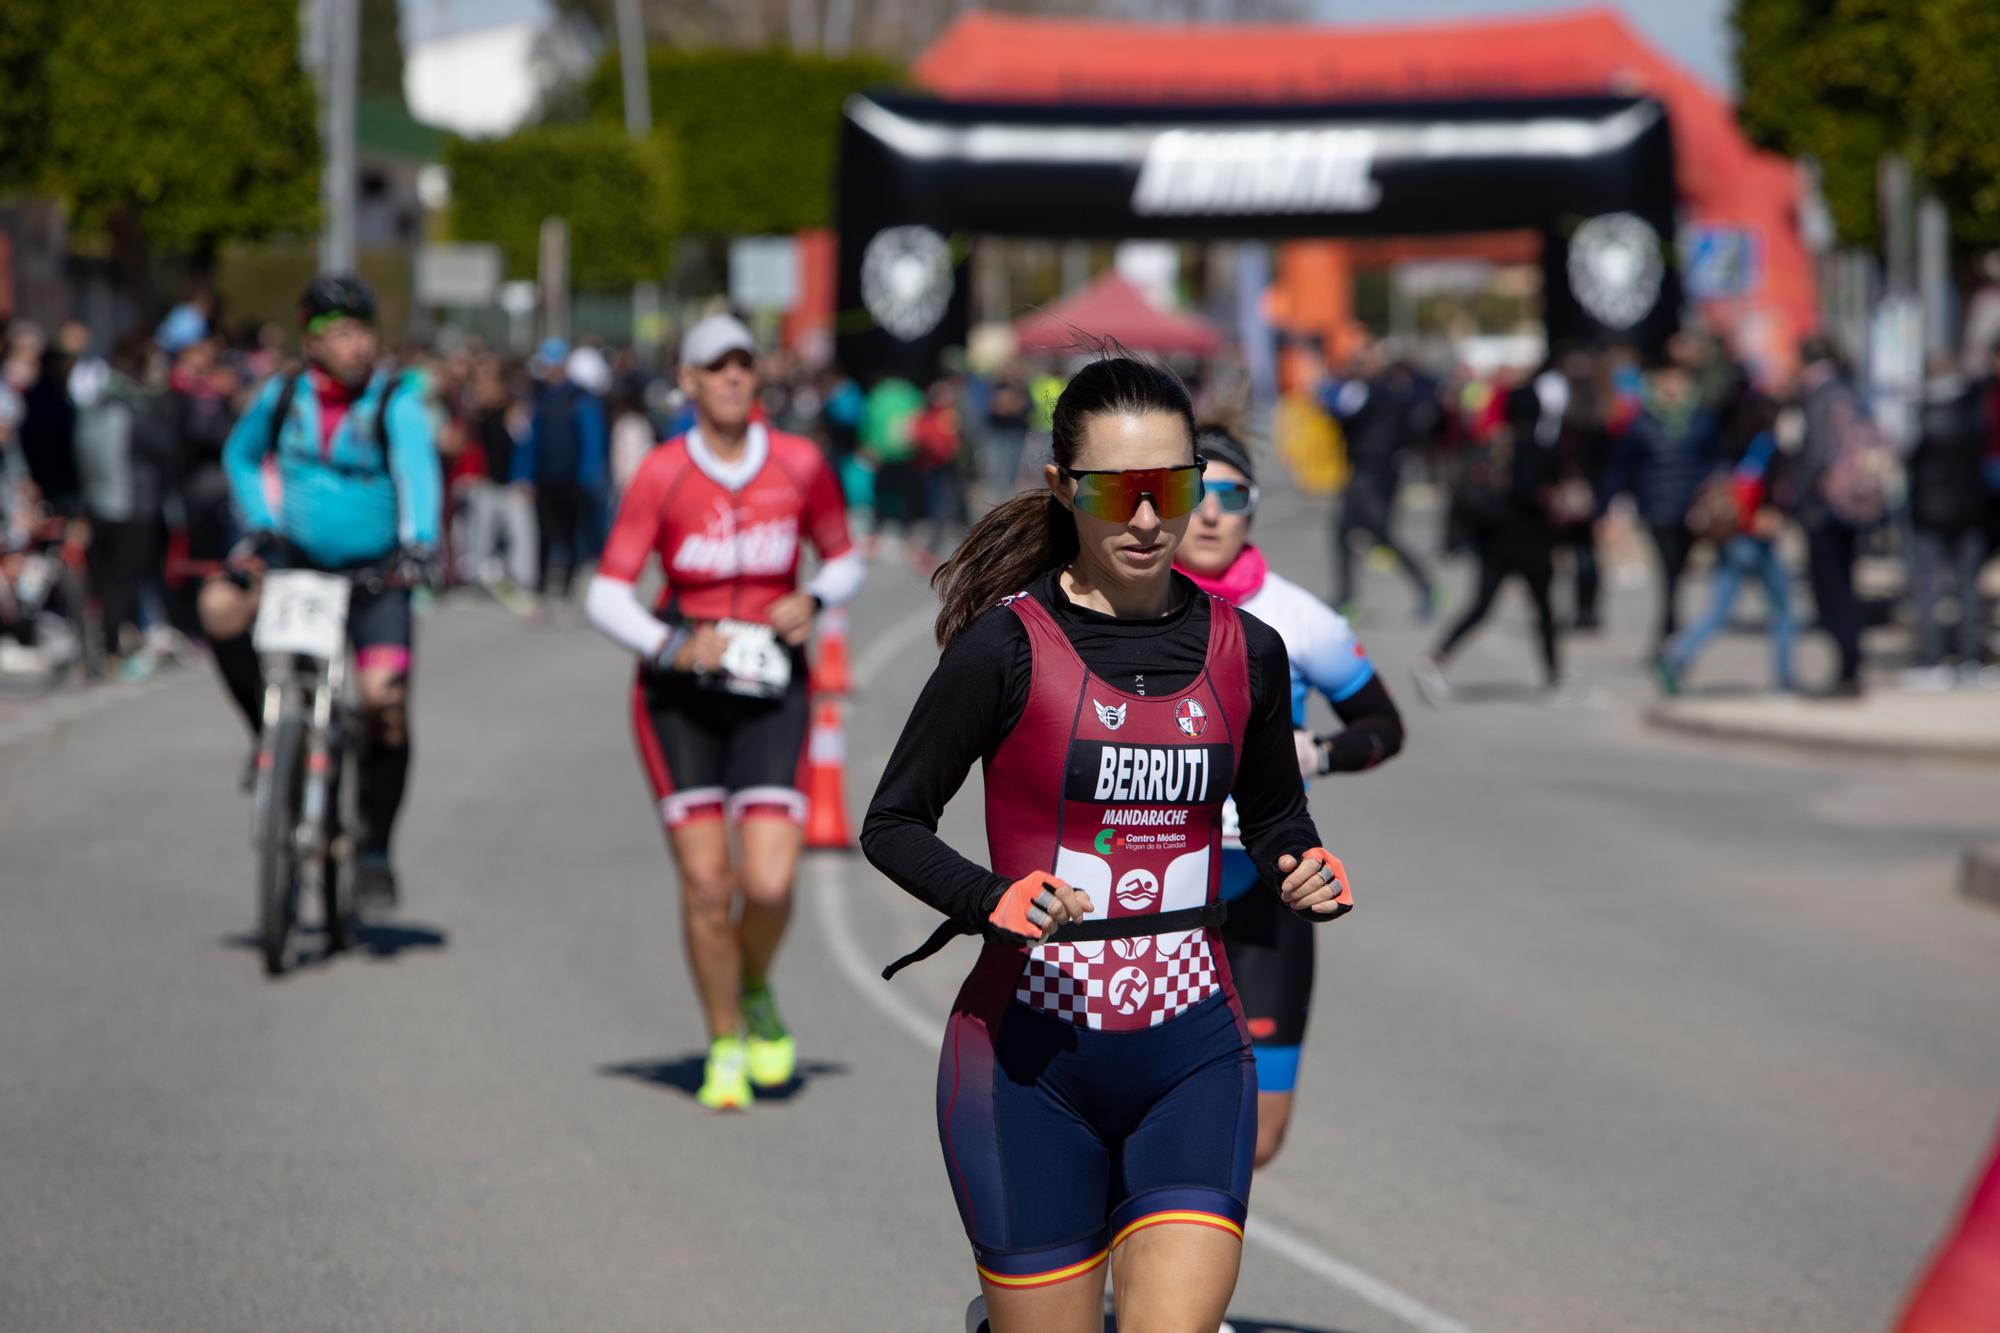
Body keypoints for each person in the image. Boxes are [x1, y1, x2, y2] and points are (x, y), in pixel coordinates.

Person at [861, 357, 1348, 1333]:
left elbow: (1273, 812)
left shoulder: (1245, 649)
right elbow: (892, 823)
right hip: (1028, 1064)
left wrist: (1299, 860)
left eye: (1170, 487)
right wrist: (985, 895)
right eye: (1113, 490)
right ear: (1060, 489)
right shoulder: (1002, 648)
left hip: (1192, 1054)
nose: (1144, 516)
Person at [584, 313, 864, 1111]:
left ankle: (751, 986)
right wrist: (670, 647)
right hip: (680, 692)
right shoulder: (664, 473)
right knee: (709, 882)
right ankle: (723, 1041)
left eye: (744, 363)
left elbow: (844, 556)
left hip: (774, 684)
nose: (735, 377)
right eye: (717, 366)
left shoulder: (802, 463)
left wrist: (811, 597)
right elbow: (605, 592)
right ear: (691, 380)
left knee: (769, 881)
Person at [1173, 424, 1402, 1167]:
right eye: (1195, 491)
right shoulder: (1126, 608)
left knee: (1260, 1135)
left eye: (1230, 495)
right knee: (1138, 1097)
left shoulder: (1300, 616)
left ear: (1252, 510)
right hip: (1157, 880)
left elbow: (1383, 724)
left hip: (1268, 884)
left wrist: (1321, 752)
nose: (1210, 512)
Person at [203, 274, 442, 915]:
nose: (357, 345)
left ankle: (374, 848)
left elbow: (419, 471)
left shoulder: (395, 399)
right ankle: (269, 732)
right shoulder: (282, 396)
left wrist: (419, 542)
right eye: (340, 333)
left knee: (383, 701)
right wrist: (259, 522)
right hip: (297, 564)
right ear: (312, 342)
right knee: (219, 609)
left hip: (375, 575)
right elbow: (242, 457)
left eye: (363, 330)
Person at [1414, 365, 1569, 703]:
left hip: (1493, 541)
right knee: (1544, 611)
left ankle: (1435, 661)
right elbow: (1542, 495)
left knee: (1480, 607)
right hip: (1531, 542)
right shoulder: (1541, 450)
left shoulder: (1489, 447)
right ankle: (1555, 677)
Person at [1654, 400, 1796, 695]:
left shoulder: (1733, 444)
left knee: (1718, 610)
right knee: (1783, 610)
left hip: (1731, 537)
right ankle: (1784, 679)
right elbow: (1765, 495)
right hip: (1755, 539)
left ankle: (1677, 656)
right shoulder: (1767, 449)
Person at [1599, 359, 1719, 660]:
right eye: (1667, 381)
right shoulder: (1642, 423)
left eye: (1678, 381)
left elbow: (1715, 461)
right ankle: (1669, 636)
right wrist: (1607, 507)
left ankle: (1670, 634)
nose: (1672, 388)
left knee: (1680, 574)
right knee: (1669, 575)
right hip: (1657, 509)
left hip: (1693, 512)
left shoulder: (1701, 420)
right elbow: (1621, 468)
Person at [1324, 344, 1438, 622]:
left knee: (1377, 535)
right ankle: (1347, 598)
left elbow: (1344, 418)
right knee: (1347, 533)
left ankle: (1426, 587)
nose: (1359, 365)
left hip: (1372, 473)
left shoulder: (1372, 391)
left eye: (1363, 361)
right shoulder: (1385, 390)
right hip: (1370, 471)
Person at [1902, 355, 1991, 690]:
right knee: (1969, 588)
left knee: (1929, 587)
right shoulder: (1974, 414)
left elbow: (1907, 458)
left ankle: (1931, 658)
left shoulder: (1924, 416)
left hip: (1929, 513)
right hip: (1971, 511)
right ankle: (1970, 658)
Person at [1792, 337, 1873, 697]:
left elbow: (1816, 453)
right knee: (1846, 582)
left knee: (1831, 588)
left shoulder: (1817, 394)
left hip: (1825, 506)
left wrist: (1794, 497)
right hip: (1855, 502)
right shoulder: (1850, 390)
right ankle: (1851, 660)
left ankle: (1848, 665)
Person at [513, 339, 608, 611]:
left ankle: (566, 586)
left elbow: (592, 439)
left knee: (570, 534)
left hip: (571, 478)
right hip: (545, 478)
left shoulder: (580, 398)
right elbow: (529, 440)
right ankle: (542, 588)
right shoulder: (539, 398)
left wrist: (587, 474)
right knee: (542, 534)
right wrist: (523, 475)